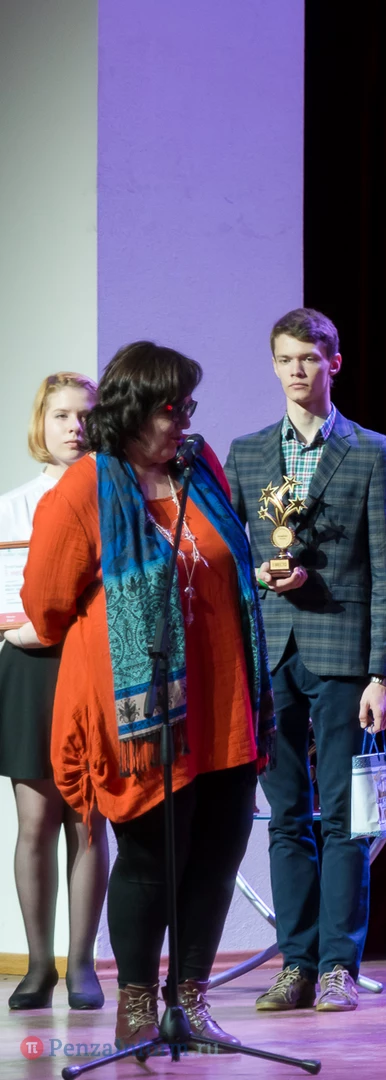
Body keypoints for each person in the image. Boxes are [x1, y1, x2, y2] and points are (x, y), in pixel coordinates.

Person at [21, 342, 275, 1048]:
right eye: (172, 408)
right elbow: (46, 603)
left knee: (217, 857)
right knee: (150, 862)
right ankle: (136, 1007)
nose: (185, 420)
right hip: (144, 716)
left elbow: (231, 562)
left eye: (189, 406)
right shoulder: (88, 486)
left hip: (224, 705)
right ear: (134, 410)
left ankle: (189, 1003)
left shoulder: (200, 467)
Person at [226, 308, 386, 1014]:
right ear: (273, 366)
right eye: (285, 359)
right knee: (286, 817)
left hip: (342, 656)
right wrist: (262, 576)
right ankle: (295, 963)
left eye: (308, 358)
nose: (296, 370)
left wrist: (381, 673)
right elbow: (230, 556)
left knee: (345, 818)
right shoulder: (246, 454)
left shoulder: (370, 451)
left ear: (333, 363)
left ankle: (337, 967)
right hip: (272, 656)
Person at [1, 372, 107, 1011]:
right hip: (30, 666)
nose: (75, 427)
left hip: (92, 665)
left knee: (87, 816)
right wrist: (24, 627)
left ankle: (83, 964)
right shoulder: (13, 505)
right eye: (62, 415)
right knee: (36, 818)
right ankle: (38, 965)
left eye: (85, 415)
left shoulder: (115, 498)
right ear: (41, 423)